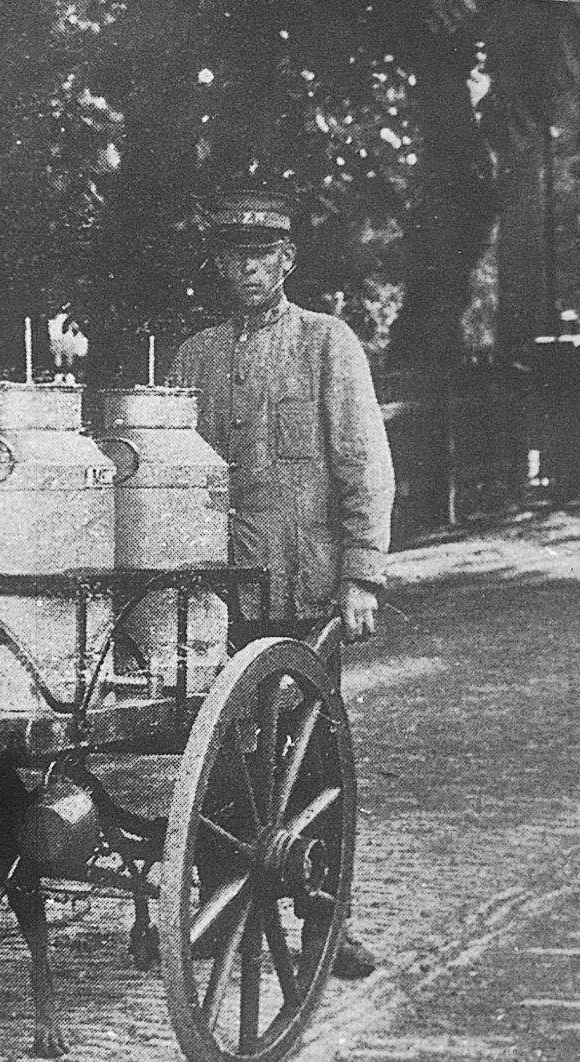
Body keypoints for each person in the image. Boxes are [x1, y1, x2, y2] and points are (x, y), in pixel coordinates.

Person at [167, 183, 395, 979]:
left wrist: (361, 576)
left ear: (286, 260)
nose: (247, 269)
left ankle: (327, 924)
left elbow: (364, 463)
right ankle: (220, 903)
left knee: (314, 761)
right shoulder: (194, 355)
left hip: (305, 589)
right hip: (221, 593)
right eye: (233, 255)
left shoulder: (327, 343)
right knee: (223, 757)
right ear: (218, 265)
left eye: (261, 254)